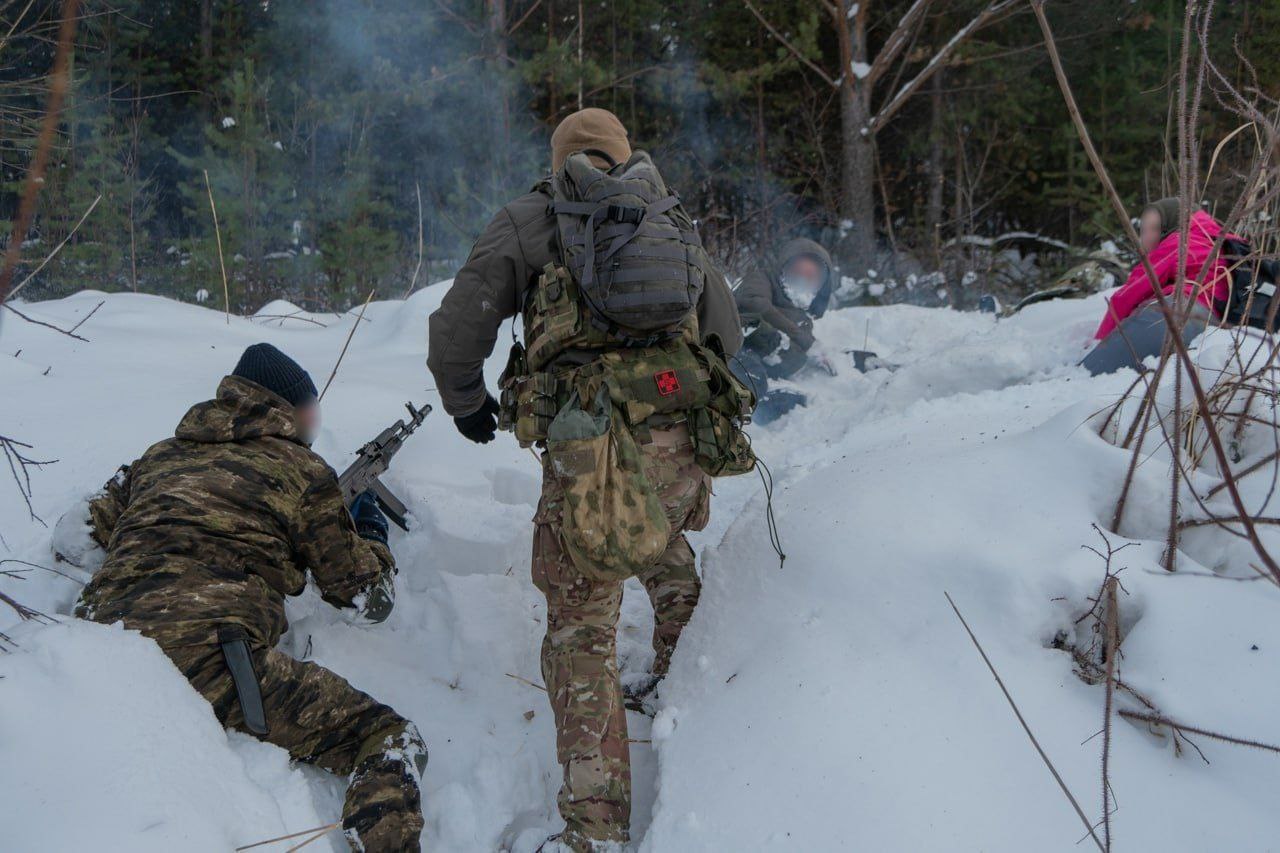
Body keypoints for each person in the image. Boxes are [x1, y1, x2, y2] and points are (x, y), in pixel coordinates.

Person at [426, 107, 744, 851]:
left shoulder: (535, 216)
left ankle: (596, 827)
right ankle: (685, 679)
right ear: (625, 155)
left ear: (561, 156)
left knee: (580, 627)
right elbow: (725, 334)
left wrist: (468, 405)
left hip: (589, 447)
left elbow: (456, 330)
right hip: (681, 430)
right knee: (660, 539)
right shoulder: (670, 216)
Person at [74, 343, 425, 853]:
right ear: (286, 409)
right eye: (310, 406)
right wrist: (371, 533)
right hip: (210, 659)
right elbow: (367, 601)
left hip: (93, 644)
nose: (315, 418)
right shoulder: (304, 474)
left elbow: (84, 529)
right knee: (388, 738)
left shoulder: (159, 454)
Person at [1083, 198, 1234, 375]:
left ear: (1172, 223)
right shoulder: (1220, 238)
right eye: (1143, 230)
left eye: (1154, 229)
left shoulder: (1179, 240)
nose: (1146, 237)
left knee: (1089, 373)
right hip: (1218, 324)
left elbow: (1127, 296)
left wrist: (1099, 341)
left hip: (1183, 312)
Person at [732, 237, 836, 422]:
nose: (803, 279)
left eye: (811, 276)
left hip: (765, 369)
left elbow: (798, 353)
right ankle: (754, 403)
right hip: (733, 349)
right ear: (784, 269)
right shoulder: (761, 279)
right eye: (798, 271)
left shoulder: (803, 318)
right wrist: (798, 340)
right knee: (746, 367)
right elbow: (755, 305)